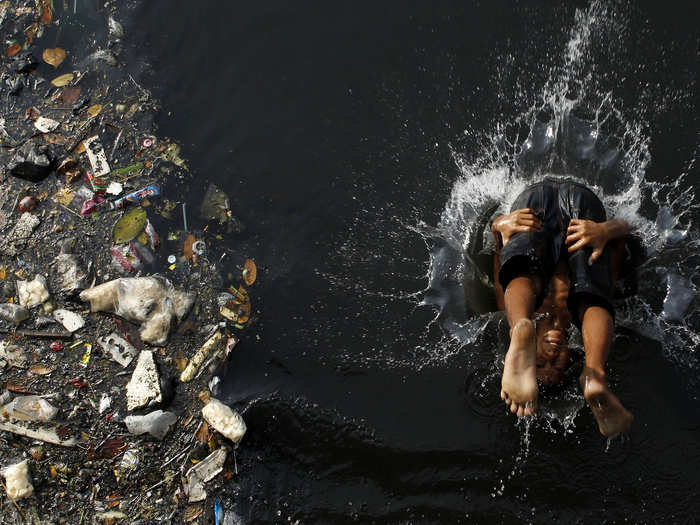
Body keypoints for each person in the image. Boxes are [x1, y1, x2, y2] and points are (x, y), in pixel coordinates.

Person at [490, 177, 634, 437]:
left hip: (532, 211)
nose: (551, 357)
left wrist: (499, 224)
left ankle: (520, 329)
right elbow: (626, 231)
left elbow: (502, 259)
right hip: (582, 212)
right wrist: (606, 231)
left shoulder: (517, 306)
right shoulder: (585, 325)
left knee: (522, 276)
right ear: (570, 359)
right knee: (591, 296)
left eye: (540, 364)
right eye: (556, 366)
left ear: (528, 356)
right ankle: (594, 373)